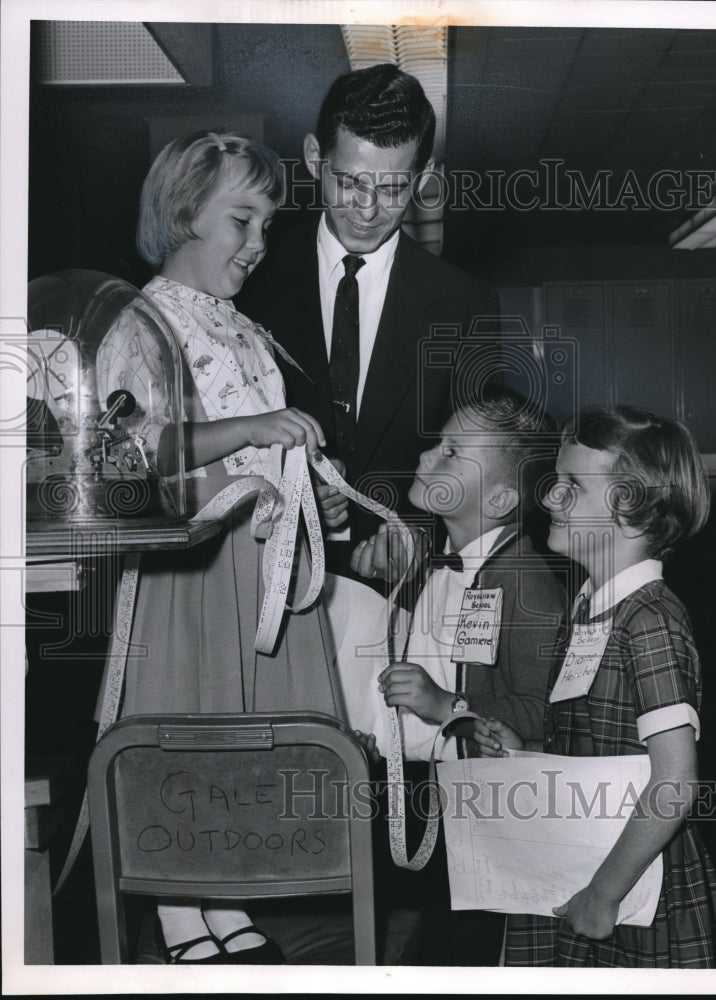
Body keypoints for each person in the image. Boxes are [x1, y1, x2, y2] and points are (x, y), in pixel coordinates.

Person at [96, 130, 343, 964]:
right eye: (242, 220)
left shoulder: (241, 327)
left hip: (257, 561)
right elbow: (124, 450)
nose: (258, 243)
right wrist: (252, 426)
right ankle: (176, 907)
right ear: (181, 214)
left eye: (268, 226)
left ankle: (223, 896)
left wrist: (316, 496)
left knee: (243, 728)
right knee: (187, 723)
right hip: (190, 564)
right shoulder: (138, 320)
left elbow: (267, 443)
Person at [473, 406, 716, 967]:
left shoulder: (651, 621)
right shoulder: (588, 608)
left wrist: (603, 896)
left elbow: (673, 784)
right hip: (588, 864)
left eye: (572, 485)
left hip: (634, 889)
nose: (549, 498)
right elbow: (605, 749)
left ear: (634, 509)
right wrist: (530, 753)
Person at [238, 63, 499, 567]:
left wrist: (419, 534)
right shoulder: (247, 283)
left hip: (398, 587)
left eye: (393, 189)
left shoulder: (467, 306)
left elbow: (479, 459)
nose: (366, 209)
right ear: (315, 158)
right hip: (267, 571)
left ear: (422, 179)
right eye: (350, 182)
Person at [349, 386, 566, 964]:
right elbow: (426, 640)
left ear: (497, 499)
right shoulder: (446, 561)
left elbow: (548, 714)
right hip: (434, 794)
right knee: (440, 934)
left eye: (449, 451)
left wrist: (445, 704)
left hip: (490, 808)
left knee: (474, 947)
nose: (425, 457)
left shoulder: (524, 581)